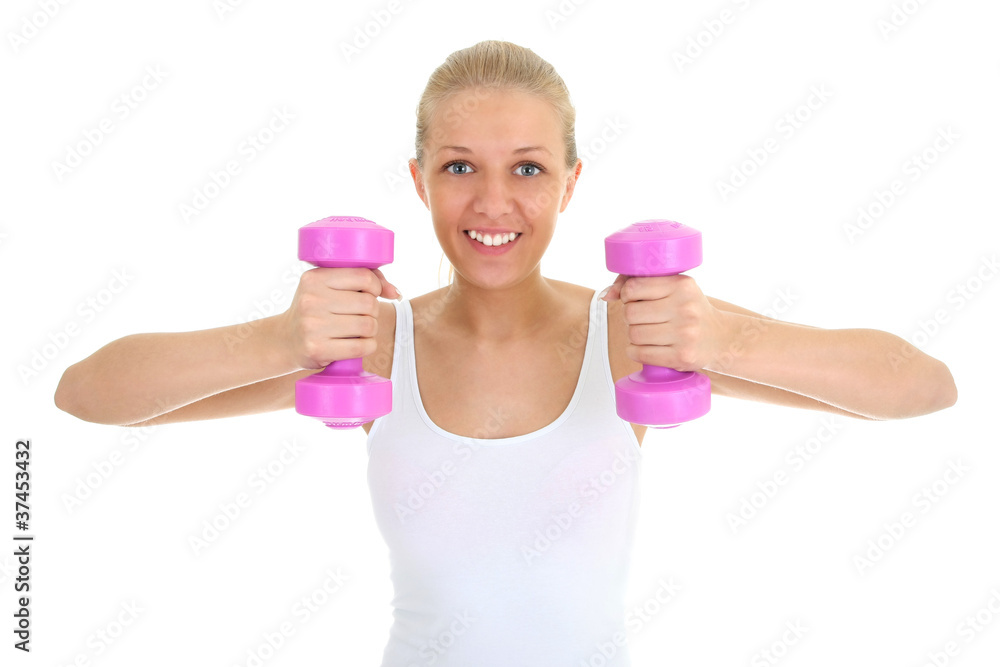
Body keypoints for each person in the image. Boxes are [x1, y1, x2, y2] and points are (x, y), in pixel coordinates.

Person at [55, 40, 957, 666]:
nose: (493, 203)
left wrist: (724, 336)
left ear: (571, 181)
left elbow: (922, 386)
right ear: (418, 182)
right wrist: (276, 339)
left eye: (527, 168)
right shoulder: (368, 344)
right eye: (459, 167)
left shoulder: (634, 337)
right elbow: (86, 392)